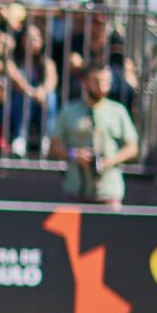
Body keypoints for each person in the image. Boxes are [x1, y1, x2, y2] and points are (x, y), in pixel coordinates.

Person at [50, 63, 139, 207]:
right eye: (97, 82)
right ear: (84, 83)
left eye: (105, 82)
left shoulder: (118, 111)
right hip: (76, 189)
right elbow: (53, 147)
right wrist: (74, 155)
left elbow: (133, 147)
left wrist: (110, 161)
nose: (102, 87)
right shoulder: (69, 111)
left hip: (108, 191)